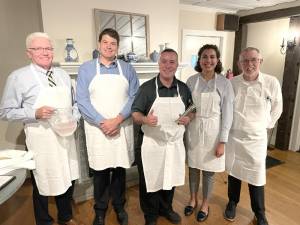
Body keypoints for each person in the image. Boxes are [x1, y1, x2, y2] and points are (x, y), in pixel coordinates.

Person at [0, 32, 82, 225]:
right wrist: (34, 113)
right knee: (42, 180)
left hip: (65, 136)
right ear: (29, 53)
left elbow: (76, 103)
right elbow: (4, 111)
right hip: (41, 140)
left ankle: (65, 217)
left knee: (67, 176)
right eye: (39, 49)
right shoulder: (18, 77)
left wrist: (75, 119)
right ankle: (44, 221)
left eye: (49, 48)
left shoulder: (62, 75)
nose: (45, 53)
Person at [76, 28, 139, 225]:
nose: (109, 46)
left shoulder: (127, 69)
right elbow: (82, 101)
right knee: (101, 173)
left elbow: (134, 96)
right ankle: (100, 210)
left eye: (113, 43)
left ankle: (120, 206)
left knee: (120, 170)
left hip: (121, 127)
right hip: (98, 130)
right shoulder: (86, 69)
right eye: (105, 42)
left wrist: (117, 119)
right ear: (99, 45)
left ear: (118, 47)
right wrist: (103, 122)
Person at [131, 48, 193, 225]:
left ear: (177, 64)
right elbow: (135, 113)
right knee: (150, 180)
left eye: (172, 62)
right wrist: (145, 119)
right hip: (152, 144)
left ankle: (167, 209)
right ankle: (150, 215)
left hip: (174, 143)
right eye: (164, 61)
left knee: (170, 177)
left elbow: (192, 108)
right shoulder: (147, 88)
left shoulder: (183, 88)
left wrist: (188, 117)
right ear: (159, 64)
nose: (168, 65)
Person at [224, 47, 283, 225]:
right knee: (234, 173)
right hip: (235, 137)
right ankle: (232, 202)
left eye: (253, 60)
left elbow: (277, 107)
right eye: (245, 61)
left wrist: (265, 125)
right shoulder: (232, 83)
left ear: (260, 61)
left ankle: (259, 212)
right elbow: (226, 109)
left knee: (256, 176)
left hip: (257, 139)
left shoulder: (271, 82)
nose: (249, 64)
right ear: (239, 63)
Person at [184, 44, 234, 222]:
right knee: (193, 167)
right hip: (194, 129)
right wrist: (183, 119)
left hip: (214, 131)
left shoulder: (224, 83)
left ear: (218, 60)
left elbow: (228, 114)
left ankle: (205, 203)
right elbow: (188, 106)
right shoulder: (191, 81)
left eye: (212, 57)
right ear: (199, 59)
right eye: (204, 57)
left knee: (209, 171)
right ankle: (192, 198)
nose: (208, 60)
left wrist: (223, 141)